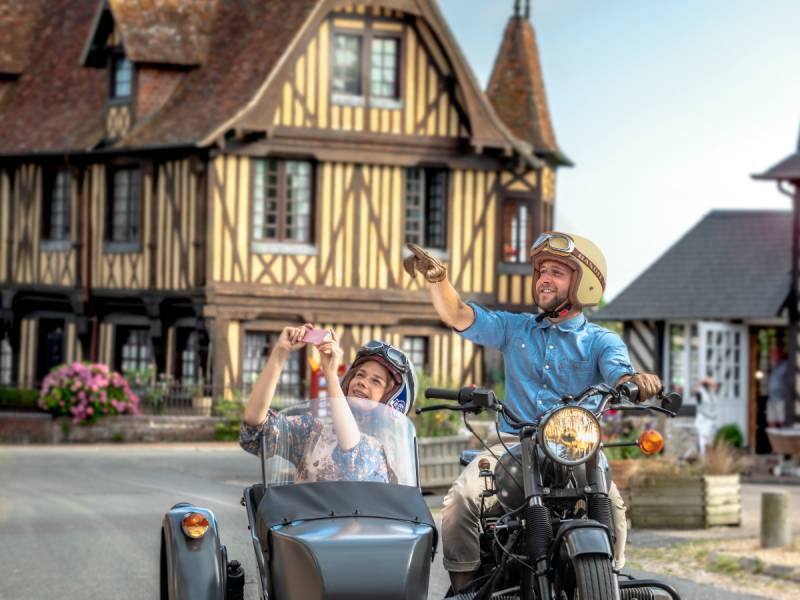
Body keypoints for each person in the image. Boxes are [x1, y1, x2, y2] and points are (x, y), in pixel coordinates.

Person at [404, 231, 662, 592]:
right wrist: (438, 281)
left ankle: (609, 584)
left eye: (557, 272)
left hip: (577, 449)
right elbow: (459, 314)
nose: (544, 279)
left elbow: (619, 371)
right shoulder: (515, 328)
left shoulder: (601, 341)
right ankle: (465, 590)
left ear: (582, 284)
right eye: (541, 271)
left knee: (614, 513)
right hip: (513, 444)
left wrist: (633, 381)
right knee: (460, 500)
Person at [240, 324, 417, 484]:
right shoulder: (314, 433)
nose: (362, 382)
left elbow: (352, 453)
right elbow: (255, 427)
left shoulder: (387, 450)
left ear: (392, 398)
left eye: (376, 381)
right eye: (360, 375)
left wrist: (330, 374)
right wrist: (280, 353)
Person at [694, 376, 718, 457]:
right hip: (703, 418)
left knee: (708, 439)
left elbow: (716, 386)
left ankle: (708, 456)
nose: (711, 386)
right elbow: (696, 390)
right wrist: (701, 381)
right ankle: (702, 455)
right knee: (702, 437)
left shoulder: (712, 393)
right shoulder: (700, 393)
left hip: (711, 418)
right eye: (709, 384)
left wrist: (710, 381)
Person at [766, 345, 788, 429]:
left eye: (775, 353)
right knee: (771, 421)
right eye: (772, 353)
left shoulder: (785, 364)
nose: (773, 355)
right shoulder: (774, 365)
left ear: (780, 354)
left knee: (781, 421)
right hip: (771, 398)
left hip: (780, 398)